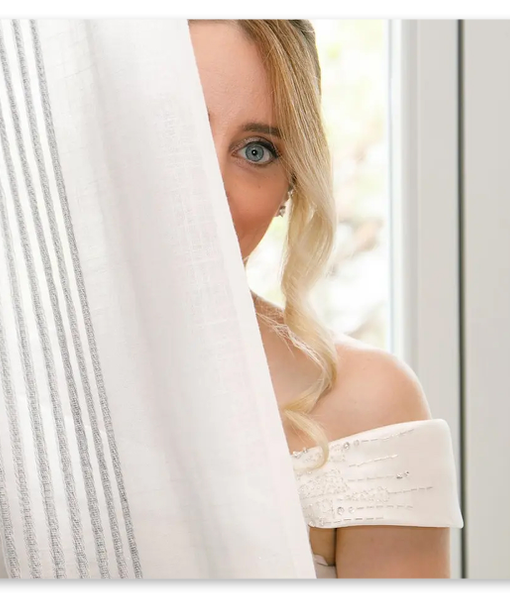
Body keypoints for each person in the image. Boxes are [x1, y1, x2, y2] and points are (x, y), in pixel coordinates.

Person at [188, 19, 463, 579]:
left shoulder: (366, 408)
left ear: (289, 190)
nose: (209, 190)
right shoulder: (6, 375)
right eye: (178, 128)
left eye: (256, 150)